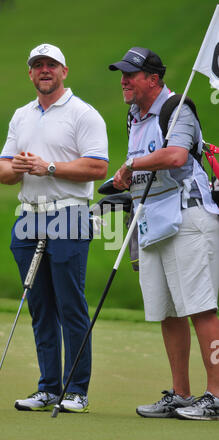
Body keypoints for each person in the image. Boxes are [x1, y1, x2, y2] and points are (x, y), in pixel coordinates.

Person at [0, 43, 108, 412]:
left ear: (64, 71)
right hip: (28, 216)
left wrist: (48, 168)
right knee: (41, 306)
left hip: (70, 214)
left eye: (51, 65)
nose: (44, 70)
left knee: (70, 303)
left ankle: (76, 391)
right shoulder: (21, 115)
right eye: (37, 65)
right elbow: (2, 172)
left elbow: (97, 168)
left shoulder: (83, 113)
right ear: (30, 73)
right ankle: (48, 387)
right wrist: (19, 168)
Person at [110, 47, 219, 420]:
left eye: (131, 74)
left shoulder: (177, 109)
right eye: (122, 74)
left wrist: (131, 164)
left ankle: (216, 396)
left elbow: (175, 157)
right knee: (168, 311)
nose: (123, 80)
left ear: (154, 79)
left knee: (200, 307)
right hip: (152, 221)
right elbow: (142, 173)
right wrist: (121, 184)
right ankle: (181, 394)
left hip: (188, 218)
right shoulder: (134, 115)